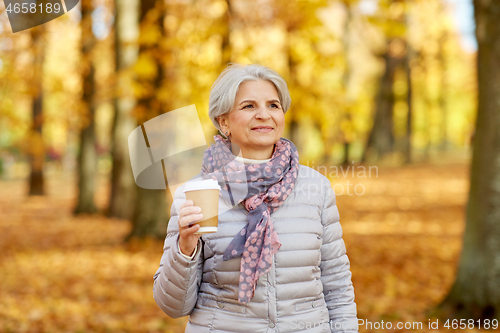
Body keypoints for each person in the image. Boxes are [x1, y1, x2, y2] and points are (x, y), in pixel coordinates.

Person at [153, 63, 358, 332]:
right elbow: (174, 307)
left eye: (273, 105)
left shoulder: (316, 188)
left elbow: (338, 285)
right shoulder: (196, 193)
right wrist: (185, 248)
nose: (264, 115)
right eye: (249, 106)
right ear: (223, 121)